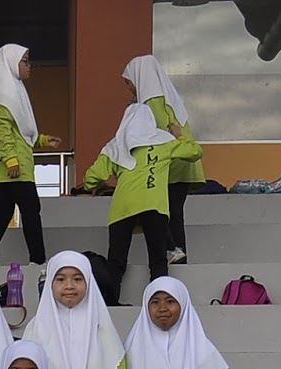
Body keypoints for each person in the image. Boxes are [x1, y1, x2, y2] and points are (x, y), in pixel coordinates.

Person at [81, 105, 199, 302]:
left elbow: (90, 179)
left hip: (122, 208)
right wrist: (179, 135)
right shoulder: (164, 141)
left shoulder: (115, 145)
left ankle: (110, 305)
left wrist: (114, 178)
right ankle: (160, 303)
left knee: (116, 262)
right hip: (154, 205)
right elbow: (195, 152)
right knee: (158, 260)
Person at [24, 251, 128, 369]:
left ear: (89, 282)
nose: (69, 286)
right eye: (61, 279)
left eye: (78, 279)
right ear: (50, 284)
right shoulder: (34, 332)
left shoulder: (103, 330)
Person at [0, 43, 61, 267]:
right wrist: (11, 160)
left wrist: (42, 140)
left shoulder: (10, 91)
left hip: (3, 162)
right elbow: (3, 132)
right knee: (31, 209)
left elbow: (19, 131)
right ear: (12, 63)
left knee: (2, 211)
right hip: (12, 165)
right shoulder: (4, 95)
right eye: (25, 61)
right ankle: (38, 260)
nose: (29, 66)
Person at [123, 55, 205, 263]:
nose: (129, 88)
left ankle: (172, 251)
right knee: (175, 214)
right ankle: (179, 256)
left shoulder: (152, 101)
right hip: (182, 163)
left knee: (161, 212)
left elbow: (155, 133)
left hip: (170, 165)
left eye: (128, 82)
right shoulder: (168, 97)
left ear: (139, 78)